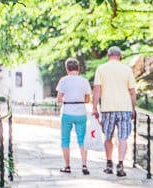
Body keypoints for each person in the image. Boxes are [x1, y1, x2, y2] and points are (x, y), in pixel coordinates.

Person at [91, 46, 137, 177]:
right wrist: (133, 108)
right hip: (124, 108)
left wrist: (94, 107)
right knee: (123, 138)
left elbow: (97, 89)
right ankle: (121, 165)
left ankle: (109, 163)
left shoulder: (101, 69)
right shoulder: (127, 69)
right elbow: (132, 91)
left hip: (108, 109)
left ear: (108, 55)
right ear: (120, 56)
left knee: (108, 137)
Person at [56, 57, 92, 175]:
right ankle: (84, 165)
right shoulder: (84, 81)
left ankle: (67, 166)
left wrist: (67, 99)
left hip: (67, 112)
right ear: (78, 69)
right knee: (82, 140)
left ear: (67, 69)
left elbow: (59, 99)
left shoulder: (63, 80)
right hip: (81, 112)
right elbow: (87, 99)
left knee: (65, 140)